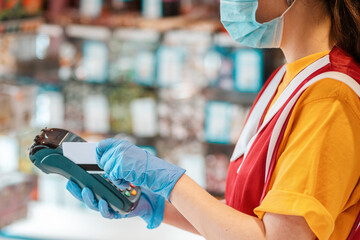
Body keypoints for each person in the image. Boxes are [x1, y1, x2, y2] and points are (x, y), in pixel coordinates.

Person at [66, 0, 360, 239]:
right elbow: (249, 219)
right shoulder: (289, 78)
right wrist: (155, 205)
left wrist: (171, 182)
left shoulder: (330, 98)